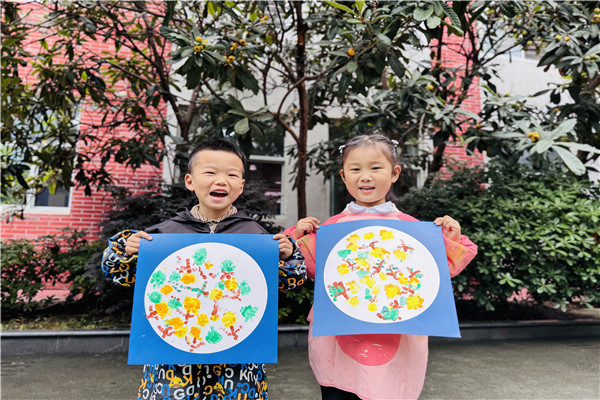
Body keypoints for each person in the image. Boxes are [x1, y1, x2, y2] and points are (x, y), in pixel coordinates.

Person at [101, 139, 306, 400]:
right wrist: (127, 251)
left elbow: (290, 280)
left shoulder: (256, 236)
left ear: (241, 186)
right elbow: (119, 273)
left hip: (237, 365)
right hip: (173, 364)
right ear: (190, 181)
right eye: (210, 172)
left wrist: (288, 256)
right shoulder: (162, 235)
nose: (221, 181)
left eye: (232, 175)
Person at [283, 134, 478, 400]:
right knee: (339, 390)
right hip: (339, 331)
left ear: (395, 173)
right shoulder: (329, 228)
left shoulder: (413, 228)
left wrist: (451, 239)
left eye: (375, 167)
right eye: (355, 169)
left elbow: (439, 272)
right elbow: (302, 266)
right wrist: (295, 238)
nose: (365, 176)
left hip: (396, 329)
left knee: (388, 389)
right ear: (343, 176)